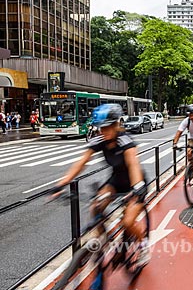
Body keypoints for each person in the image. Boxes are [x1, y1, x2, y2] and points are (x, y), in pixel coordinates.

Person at [52, 104, 150, 265]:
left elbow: (133, 164)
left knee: (128, 222)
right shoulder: (100, 140)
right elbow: (82, 162)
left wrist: (137, 188)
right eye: (100, 128)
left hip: (135, 182)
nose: (103, 132)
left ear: (116, 124)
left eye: (106, 127)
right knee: (96, 207)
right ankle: (103, 241)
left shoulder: (125, 141)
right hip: (115, 181)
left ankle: (144, 245)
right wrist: (62, 183)